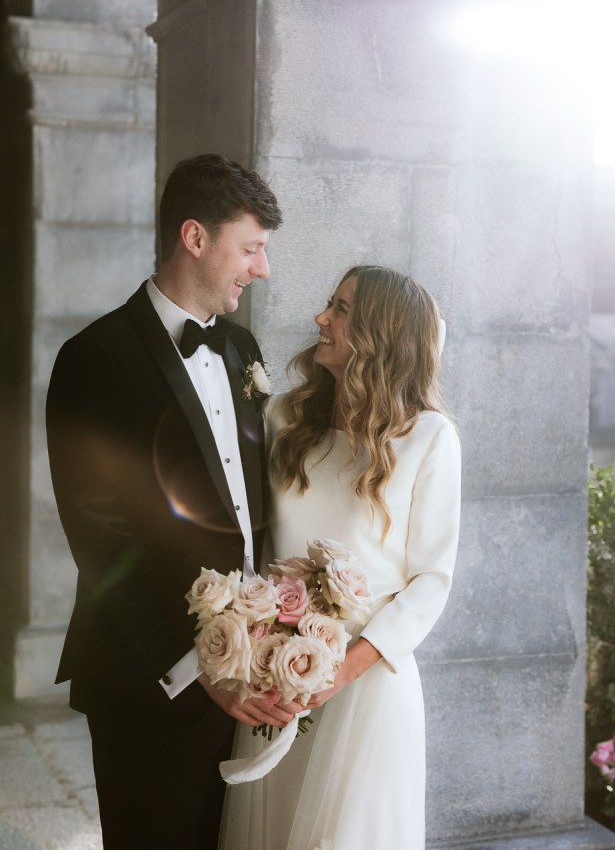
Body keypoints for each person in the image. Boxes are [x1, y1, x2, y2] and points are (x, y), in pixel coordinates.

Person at [46, 153, 297, 850]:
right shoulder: (93, 358)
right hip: (147, 681)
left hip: (248, 680)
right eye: (250, 248)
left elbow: (254, 512)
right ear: (195, 237)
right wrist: (198, 667)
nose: (262, 268)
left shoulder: (242, 346)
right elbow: (100, 540)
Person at [222, 265, 461, 850]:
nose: (320, 319)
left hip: (368, 689)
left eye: (341, 309)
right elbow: (249, 544)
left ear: (383, 333)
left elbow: (432, 580)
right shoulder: (283, 418)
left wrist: (339, 672)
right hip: (278, 678)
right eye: (329, 304)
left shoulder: (430, 438)